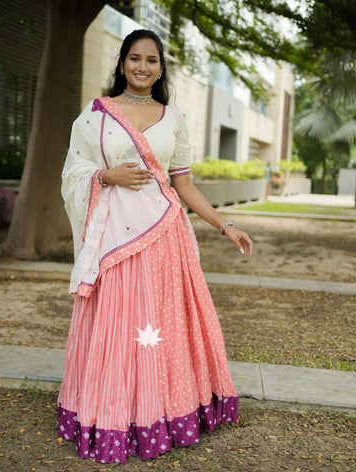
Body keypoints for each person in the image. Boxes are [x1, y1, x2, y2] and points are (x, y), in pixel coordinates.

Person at [58, 29, 253, 464]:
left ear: (160, 68)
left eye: (151, 60)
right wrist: (107, 177)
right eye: (134, 58)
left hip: (166, 238)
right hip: (116, 241)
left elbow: (182, 184)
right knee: (118, 326)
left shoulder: (174, 118)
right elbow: (75, 170)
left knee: (159, 328)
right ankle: (112, 411)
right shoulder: (95, 116)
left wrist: (226, 226)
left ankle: (163, 411)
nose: (142, 67)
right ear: (122, 63)